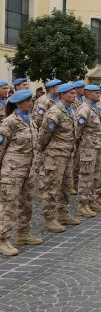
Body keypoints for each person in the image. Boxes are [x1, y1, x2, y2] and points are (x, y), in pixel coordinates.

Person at [0, 89, 42, 256]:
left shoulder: (30, 120)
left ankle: (23, 234)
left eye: (31, 101)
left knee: (26, 203)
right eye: (28, 101)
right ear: (18, 104)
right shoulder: (9, 122)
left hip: (28, 171)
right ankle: (2, 239)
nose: (31, 104)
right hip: (12, 171)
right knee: (8, 206)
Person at [38, 82, 80, 233]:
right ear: (62, 95)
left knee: (66, 185)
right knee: (51, 187)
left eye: (74, 93)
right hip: (55, 155)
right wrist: (45, 150)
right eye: (71, 93)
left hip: (68, 154)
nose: (74, 95)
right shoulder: (54, 112)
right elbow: (44, 135)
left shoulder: (70, 110)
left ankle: (63, 213)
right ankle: (49, 219)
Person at [74, 85, 101, 218]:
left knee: (95, 175)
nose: (99, 95)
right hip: (88, 148)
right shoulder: (84, 109)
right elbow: (77, 131)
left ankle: (91, 200)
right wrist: (82, 144)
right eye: (96, 93)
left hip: (96, 146)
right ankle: (83, 204)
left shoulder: (95, 108)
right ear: (88, 94)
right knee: (86, 176)